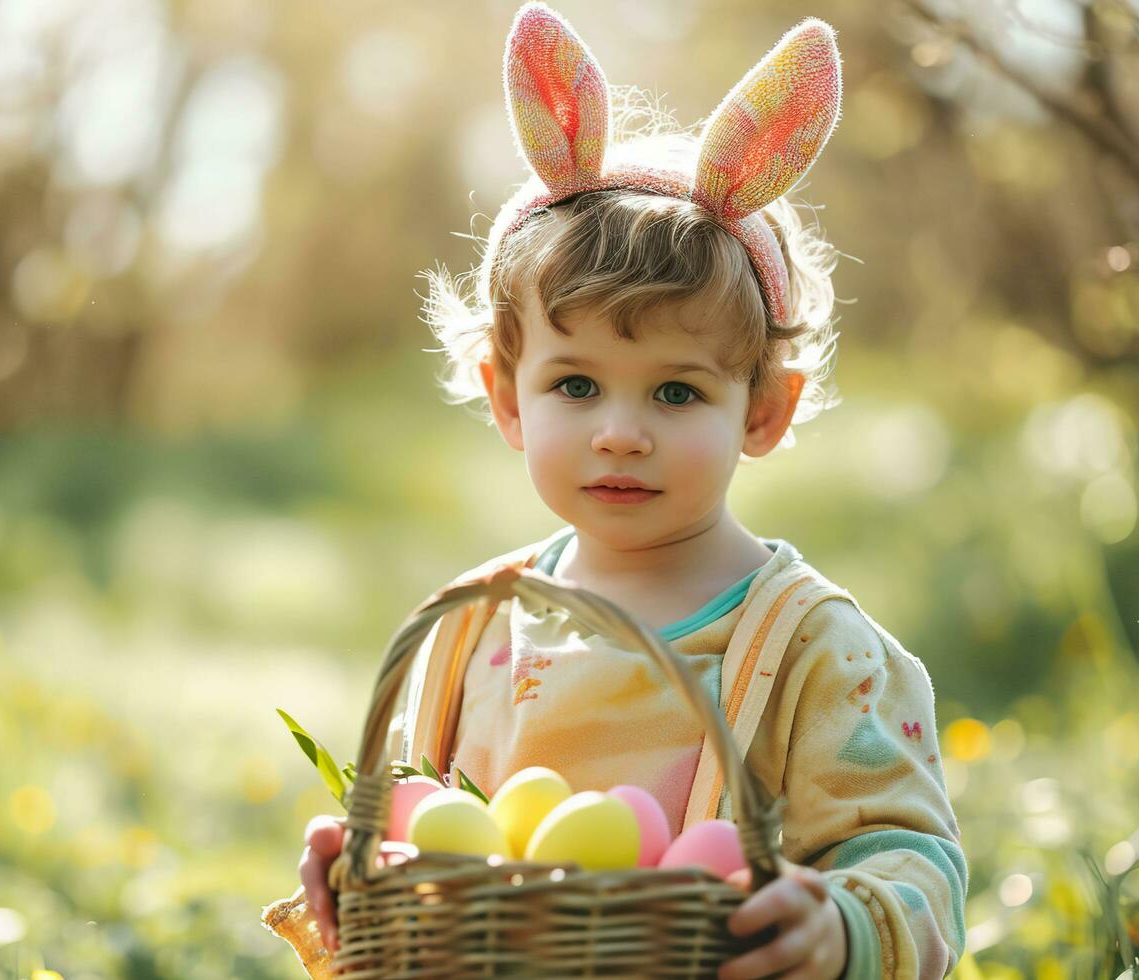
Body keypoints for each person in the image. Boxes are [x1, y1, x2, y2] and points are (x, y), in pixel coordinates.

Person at [288, 4, 967, 978]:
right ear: (506, 398)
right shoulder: (468, 634)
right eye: (575, 383)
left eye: (677, 390)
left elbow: (910, 856)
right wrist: (361, 856)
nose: (619, 429)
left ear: (765, 411)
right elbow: (429, 824)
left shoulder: (816, 650)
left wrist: (846, 925)